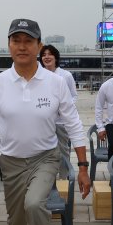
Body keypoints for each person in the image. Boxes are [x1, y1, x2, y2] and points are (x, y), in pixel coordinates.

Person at [0, 18, 90, 225]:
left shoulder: (55, 83)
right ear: (9, 45)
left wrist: (83, 166)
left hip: (45, 158)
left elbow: (74, 124)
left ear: (39, 46)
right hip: (10, 161)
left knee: (34, 205)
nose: (22, 46)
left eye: (28, 41)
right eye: (16, 40)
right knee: (15, 222)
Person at [40, 44, 78, 179]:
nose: (46, 57)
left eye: (49, 54)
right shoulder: (38, 75)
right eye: (44, 55)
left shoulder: (65, 76)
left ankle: (63, 178)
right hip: (43, 121)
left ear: (56, 57)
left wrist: (62, 109)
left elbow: (73, 96)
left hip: (61, 122)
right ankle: (45, 178)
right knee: (43, 151)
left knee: (63, 151)